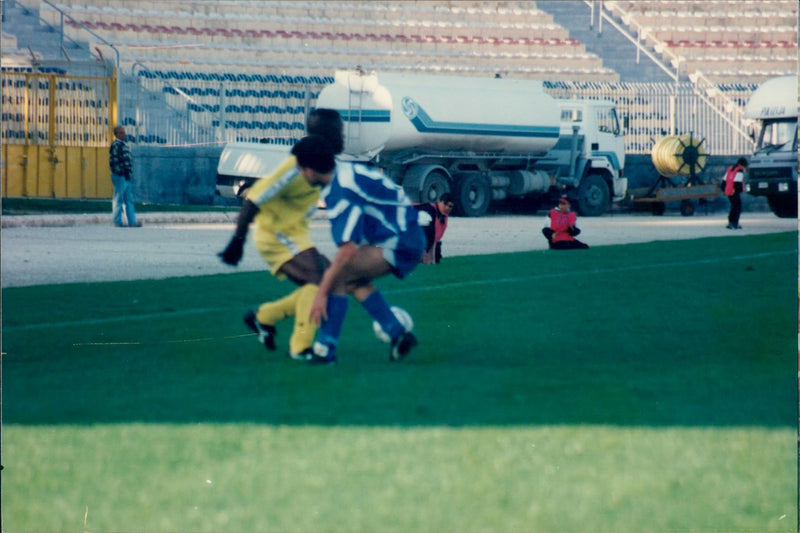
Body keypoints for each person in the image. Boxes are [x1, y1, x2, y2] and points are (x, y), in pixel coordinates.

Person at [218, 109, 344, 360]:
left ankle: (264, 317)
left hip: (296, 236)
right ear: (327, 135)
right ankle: (300, 348)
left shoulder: (325, 165)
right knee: (319, 280)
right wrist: (237, 241)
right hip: (275, 235)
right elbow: (254, 199)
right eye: (339, 131)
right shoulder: (294, 168)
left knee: (331, 280)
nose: (342, 136)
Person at [290, 135, 425, 365]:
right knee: (350, 281)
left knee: (337, 276)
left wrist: (321, 294)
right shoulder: (344, 173)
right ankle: (397, 333)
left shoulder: (341, 192)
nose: (301, 175)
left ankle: (325, 350)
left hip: (401, 239)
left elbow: (346, 252)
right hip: (406, 234)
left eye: (301, 169)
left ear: (311, 170)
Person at [109, 125, 140, 227]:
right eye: (121, 133)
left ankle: (132, 221)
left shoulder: (123, 145)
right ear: (116, 134)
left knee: (129, 200)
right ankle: (117, 221)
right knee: (118, 199)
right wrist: (121, 172)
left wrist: (128, 173)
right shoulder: (116, 145)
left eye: (124, 132)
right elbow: (115, 162)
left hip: (126, 176)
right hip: (120, 176)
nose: (124, 134)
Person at [415, 193, 454, 264]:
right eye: (445, 204)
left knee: (437, 257)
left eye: (450, 206)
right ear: (439, 201)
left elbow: (436, 238)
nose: (447, 208)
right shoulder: (428, 210)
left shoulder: (443, 218)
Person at [723, 157, 747, 229]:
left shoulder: (730, 169)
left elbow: (724, 180)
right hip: (734, 191)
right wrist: (738, 191)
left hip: (728, 191)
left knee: (733, 207)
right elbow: (737, 182)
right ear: (742, 165)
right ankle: (734, 223)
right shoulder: (739, 170)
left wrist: (724, 190)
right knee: (737, 207)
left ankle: (730, 222)